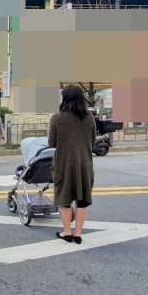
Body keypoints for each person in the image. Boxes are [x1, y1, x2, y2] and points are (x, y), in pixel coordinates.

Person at [48, 85, 96, 245]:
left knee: (64, 198)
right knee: (82, 200)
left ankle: (67, 232)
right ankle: (78, 234)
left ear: (65, 99)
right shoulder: (89, 118)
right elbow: (92, 141)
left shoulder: (57, 117)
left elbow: (51, 143)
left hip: (63, 164)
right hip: (85, 164)